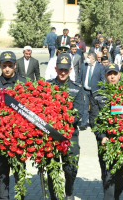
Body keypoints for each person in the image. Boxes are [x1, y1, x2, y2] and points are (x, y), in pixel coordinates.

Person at [0, 51, 27, 200]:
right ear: (0, 66)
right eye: (4, 66)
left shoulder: (24, 83)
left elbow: (29, 109)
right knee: (2, 172)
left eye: (10, 65)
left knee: (19, 171)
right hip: (1, 137)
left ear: (15, 65)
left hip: (21, 137)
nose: (7, 69)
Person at [47, 54, 84, 200]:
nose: (62, 73)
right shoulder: (48, 86)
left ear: (70, 70)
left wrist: (62, 123)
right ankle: (54, 197)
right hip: (51, 136)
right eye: (60, 69)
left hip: (70, 136)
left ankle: (69, 192)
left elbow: (79, 113)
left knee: (71, 169)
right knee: (52, 169)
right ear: (56, 69)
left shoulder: (77, 89)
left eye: (65, 70)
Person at [90, 64, 123, 200]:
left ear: (119, 75)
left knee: (122, 178)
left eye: (115, 74)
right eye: (109, 74)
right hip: (105, 142)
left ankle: (116, 196)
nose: (112, 76)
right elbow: (94, 120)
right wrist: (102, 136)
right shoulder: (97, 95)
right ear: (105, 76)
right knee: (108, 176)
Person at [77, 52, 106, 130]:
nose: (87, 59)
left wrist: (101, 89)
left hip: (95, 91)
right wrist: (78, 86)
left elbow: (103, 79)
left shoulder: (100, 67)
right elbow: (79, 78)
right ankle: (84, 123)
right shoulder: (84, 66)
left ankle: (93, 123)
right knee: (84, 106)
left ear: (93, 59)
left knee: (94, 108)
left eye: (88, 57)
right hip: (85, 90)